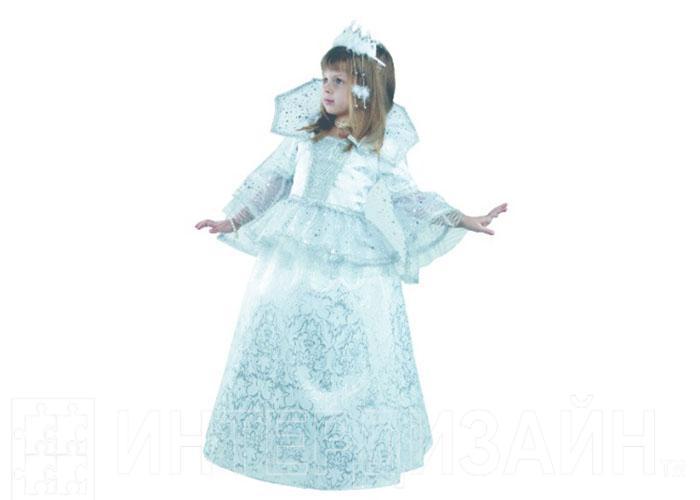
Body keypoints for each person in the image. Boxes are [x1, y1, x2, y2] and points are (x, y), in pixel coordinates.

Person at [194, 21, 507, 490]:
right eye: (325, 79)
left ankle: (344, 450)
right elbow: (272, 183)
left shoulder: (376, 150)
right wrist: (233, 220)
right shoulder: (304, 137)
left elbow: (411, 197)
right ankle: (287, 443)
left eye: (338, 81)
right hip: (294, 261)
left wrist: (463, 218)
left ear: (364, 90)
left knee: (345, 357)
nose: (326, 88)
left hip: (351, 267)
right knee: (285, 343)